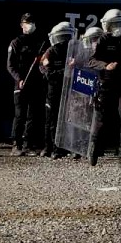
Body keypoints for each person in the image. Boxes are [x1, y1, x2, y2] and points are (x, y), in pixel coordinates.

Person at [84, 9, 121, 168]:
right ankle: (93, 150)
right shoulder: (102, 40)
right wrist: (106, 66)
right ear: (107, 25)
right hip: (106, 84)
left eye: (119, 24)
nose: (117, 27)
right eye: (113, 24)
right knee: (101, 119)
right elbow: (91, 61)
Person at [7, 13, 47, 157]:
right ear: (21, 25)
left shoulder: (40, 42)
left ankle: (28, 144)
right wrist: (19, 79)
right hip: (21, 84)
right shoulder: (16, 43)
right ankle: (16, 144)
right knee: (20, 115)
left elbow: (44, 62)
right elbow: (10, 66)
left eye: (31, 22)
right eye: (26, 22)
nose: (29, 25)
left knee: (33, 115)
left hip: (35, 84)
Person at [39, 21, 75, 159]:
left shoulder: (72, 51)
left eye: (67, 37)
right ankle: (51, 147)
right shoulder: (50, 52)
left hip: (68, 90)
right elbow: (48, 73)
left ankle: (64, 147)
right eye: (62, 37)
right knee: (52, 121)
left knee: (66, 120)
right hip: (53, 91)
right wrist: (66, 70)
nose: (64, 41)